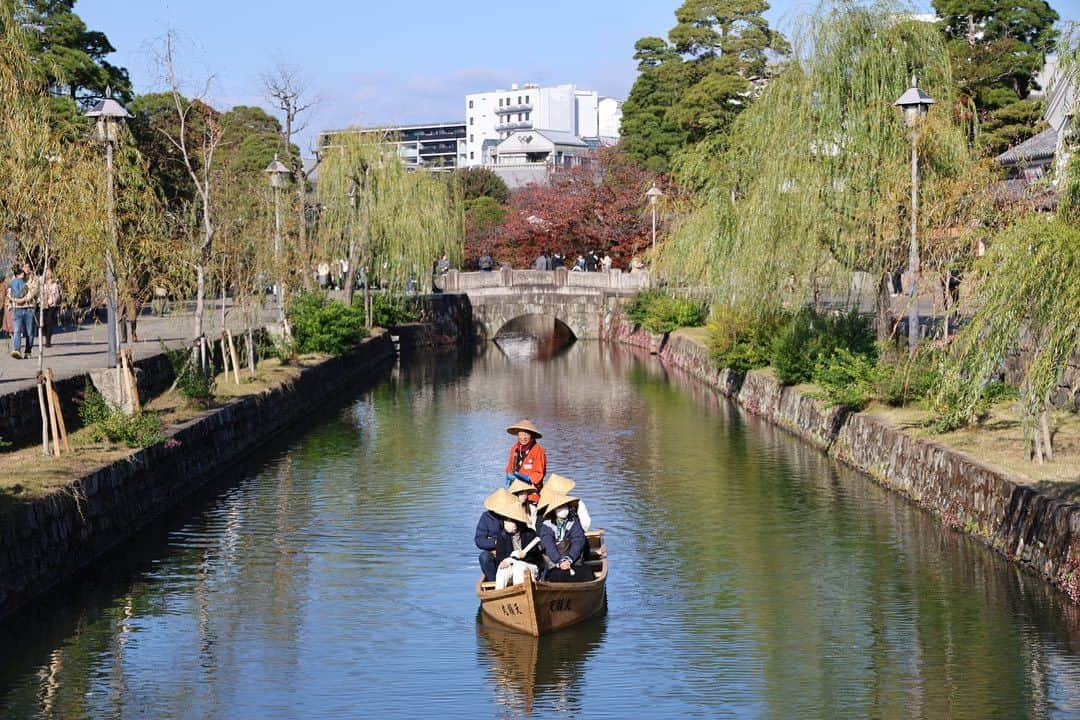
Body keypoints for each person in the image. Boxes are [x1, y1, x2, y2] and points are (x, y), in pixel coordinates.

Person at [475, 488, 528, 583]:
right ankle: (495, 583)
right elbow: (479, 540)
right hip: (494, 553)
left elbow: (523, 533)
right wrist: (495, 542)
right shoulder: (486, 517)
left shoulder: (514, 514)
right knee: (484, 557)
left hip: (513, 550)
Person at [539, 492, 594, 582]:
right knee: (555, 576)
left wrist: (569, 559)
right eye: (560, 507)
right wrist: (560, 561)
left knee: (587, 573)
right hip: (554, 564)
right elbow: (549, 546)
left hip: (573, 562)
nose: (563, 509)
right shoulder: (546, 526)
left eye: (565, 506)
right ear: (554, 510)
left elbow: (579, 541)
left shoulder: (574, 523)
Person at [493, 493, 544, 590]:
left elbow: (535, 556)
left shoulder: (529, 534)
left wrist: (524, 556)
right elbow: (500, 557)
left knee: (518, 566)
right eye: (506, 520)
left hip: (530, 566)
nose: (507, 523)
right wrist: (506, 561)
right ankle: (498, 595)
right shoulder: (502, 536)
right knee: (502, 569)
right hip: (510, 564)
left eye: (510, 521)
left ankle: (520, 594)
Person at [504, 419, 546, 502]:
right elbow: (509, 468)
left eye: (526, 434)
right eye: (520, 434)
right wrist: (509, 478)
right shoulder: (514, 448)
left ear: (532, 435)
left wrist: (526, 478)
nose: (523, 438)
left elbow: (539, 474)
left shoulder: (538, 450)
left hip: (531, 491)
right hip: (515, 488)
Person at [7, 266, 31, 359]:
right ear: (21, 274)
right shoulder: (24, 282)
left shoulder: (11, 282)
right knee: (28, 332)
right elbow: (26, 292)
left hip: (16, 307)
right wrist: (23, 299)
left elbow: (9, 294)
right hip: (24, 307)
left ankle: (17, 349)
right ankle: (23, 350)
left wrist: (12, 301)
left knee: (17, 330)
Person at [41, 270, 61, 348]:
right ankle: (46, 336)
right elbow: (40, 293)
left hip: (52, 305)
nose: (48, 275)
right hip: (44, 305)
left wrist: (53, 300)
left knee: (49, 322)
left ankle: (48, 341)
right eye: (46, 273)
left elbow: (57, 295)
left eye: (49, 273)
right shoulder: (43, 284)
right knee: (44, 323)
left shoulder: (55, 284)